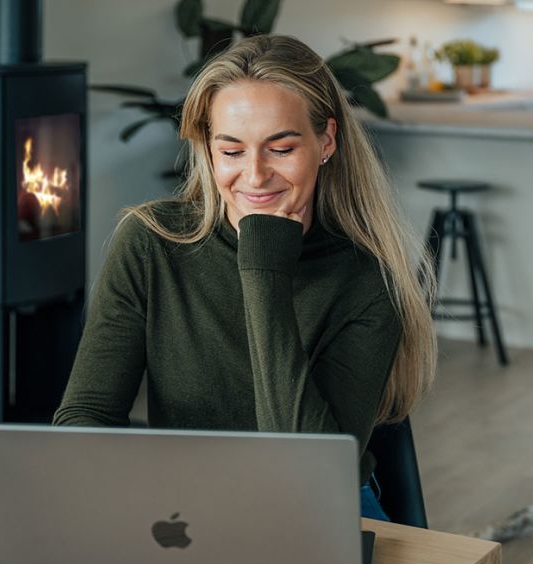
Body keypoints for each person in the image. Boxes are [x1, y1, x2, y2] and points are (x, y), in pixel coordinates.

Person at [52, 35, 437, 521]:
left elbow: (309, 478)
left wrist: (264, 266)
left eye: (280, 148)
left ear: (326, 141)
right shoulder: (150, 244)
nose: (254, 176)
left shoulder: (368, 280)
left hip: (318, 514)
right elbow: (85, 415)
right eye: (231, 151)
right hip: (182, 512)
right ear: (209, 151)